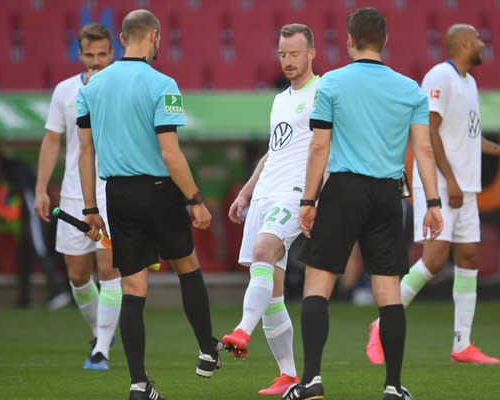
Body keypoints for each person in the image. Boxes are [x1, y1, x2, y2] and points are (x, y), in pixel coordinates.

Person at [283, 8, 443, 400]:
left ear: (349, 41)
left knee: (317, 286)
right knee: (389, 292)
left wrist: (308, 199)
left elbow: (320, 146)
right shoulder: (410, 89)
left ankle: (313, 382)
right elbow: (423, 149)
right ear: (386, 41)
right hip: (388, 194)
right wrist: (433, 203)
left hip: (342, 191)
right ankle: (392, 386)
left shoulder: (332, 84)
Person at [76, 10, 220, 400]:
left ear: (122, 39)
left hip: (118, 194)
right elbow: (170, 153)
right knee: (187, 266)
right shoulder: (164, 84)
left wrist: (91, 208)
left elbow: (85, 152)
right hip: (159, 190)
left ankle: (139, 384)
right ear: (154, 37)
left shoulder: (90, 87)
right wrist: (195, 200)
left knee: (133, 286)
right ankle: (207, 351)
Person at [366, 23, 500, 367]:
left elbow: (467, 135)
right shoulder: (440, 77)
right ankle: (380, 323)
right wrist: (448, 180)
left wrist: (499, 151)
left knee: (468, 257)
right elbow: (429, 129)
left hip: (465, 185)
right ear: (465, 43)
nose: (482, 43)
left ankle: (462, 344)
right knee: (435, 259)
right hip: (439, 184)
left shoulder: (469, 82)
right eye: (479, 39)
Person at [221, 23, 318, 396]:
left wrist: (314, 197)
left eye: (295, 53)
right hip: (265, 193)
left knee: (263, 250)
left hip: (293, 194)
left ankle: (242, 330)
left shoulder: (322, 93)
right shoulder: (280, 99)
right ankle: (288, 375)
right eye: (282, 54)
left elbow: (328, 148)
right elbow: (274, 151)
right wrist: (246, 191)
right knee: (272, 290)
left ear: (311, 53)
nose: (288, 61)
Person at [34, 23, 121, 371]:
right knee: (78, 277)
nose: (97, 61)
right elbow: (52, 139)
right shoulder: (64, 91)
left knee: (109, 267)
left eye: (103, 54)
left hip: (112, 189)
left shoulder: (121, 88)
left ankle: (100, 349)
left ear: (112, 53)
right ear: (80, 54)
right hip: (72, 194)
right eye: (90, 55)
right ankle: (103, 330)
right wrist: (41, 187)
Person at [0, 150, 70, 310]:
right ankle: (24, 298)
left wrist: (8, 195)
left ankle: (58, 292)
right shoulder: (11, 167)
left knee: (39, 250)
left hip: (33, 207)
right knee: (23, 254)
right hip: (27, 209)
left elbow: (24, 185)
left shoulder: (11, 167)